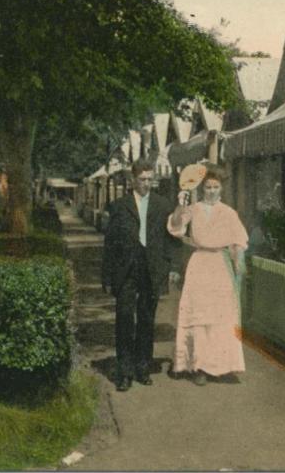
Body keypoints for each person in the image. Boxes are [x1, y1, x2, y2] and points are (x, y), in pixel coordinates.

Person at [167, 164, 248, 386]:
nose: (211, 191)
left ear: (221, 188)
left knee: (219, 315)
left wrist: (238, 262)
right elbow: (175, 228)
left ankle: (219, 366)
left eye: (215, 187)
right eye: (208, 187)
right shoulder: (193, 209)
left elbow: (239, 240)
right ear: (202, 188)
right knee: (199, 315)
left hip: (221, 267)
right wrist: (179, 205)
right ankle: (198, 366)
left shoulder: (229, 213)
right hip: (200, 264)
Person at [102, 159, 178, 391]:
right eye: (142, 179)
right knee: (125, 319)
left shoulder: (163, 205)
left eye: (150, 179)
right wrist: (106, 277)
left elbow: (171, 239)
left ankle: (143, 368)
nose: (146, 184)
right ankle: (124, 372)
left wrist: (172, 267)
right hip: (126, 270)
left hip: (151, 269)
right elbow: (110, 244)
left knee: (146, 320)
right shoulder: (118, 206)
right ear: (132, 180)